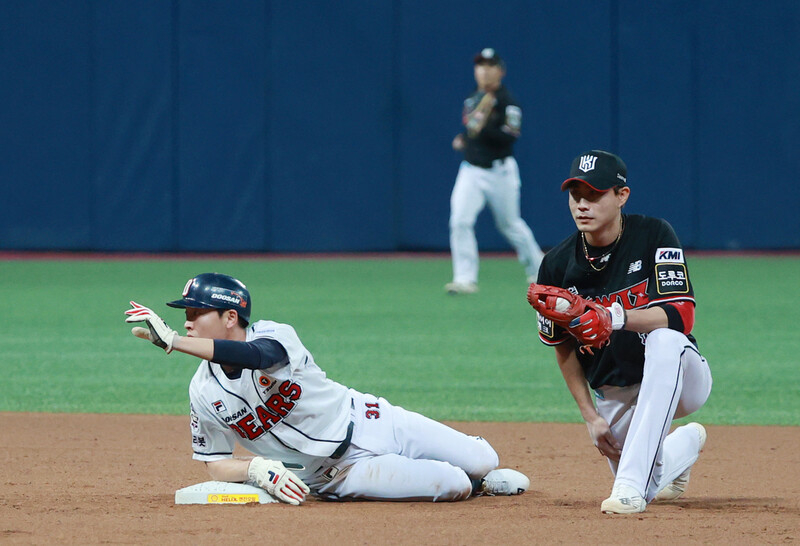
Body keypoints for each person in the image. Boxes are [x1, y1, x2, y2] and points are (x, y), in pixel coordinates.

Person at [125, 273, 529, 504]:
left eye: (196, 312)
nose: (188, 321)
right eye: (185, 316)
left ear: (230, 316)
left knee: (483, 456)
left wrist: (175, 343)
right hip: (338, 475)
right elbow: (214, 462)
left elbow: (256, 356)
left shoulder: (275, 335)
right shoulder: (203, 391)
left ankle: (477, 465)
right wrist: (255, 469)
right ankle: (477, 485)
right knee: (454, 484)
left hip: (374, 420)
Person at [532, 150, 712, 514]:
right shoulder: (555, 263)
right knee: (650, 467)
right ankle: (685, 445)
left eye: (594, 195)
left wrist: (615, 317)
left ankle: (630, 489)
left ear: (621, 196)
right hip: (613, 391)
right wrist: (590, 416)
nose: (583, 205)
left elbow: (682, 314)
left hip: (681, 376)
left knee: (665, 339)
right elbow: (561, 346)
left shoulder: (653, 234)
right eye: (575, 195)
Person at [446, 47, 544, 295]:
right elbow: (472, 132)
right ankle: (465, 278)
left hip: (500, 172)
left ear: (500, 71)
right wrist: (465, 139)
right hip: (471, 171)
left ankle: (540, 268)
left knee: (510, 224)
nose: (484, 70)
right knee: (459, 221)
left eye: (490, 66)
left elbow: (509, 136)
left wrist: (482, 130)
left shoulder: (508, 102)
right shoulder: (473, 98)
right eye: (480, 65)